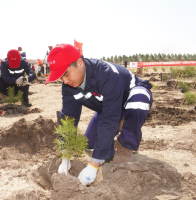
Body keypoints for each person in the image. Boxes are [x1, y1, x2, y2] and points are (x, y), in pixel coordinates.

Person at [45, 44, 153, 186]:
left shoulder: (107, 75)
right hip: (109, 108)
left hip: (129, 98)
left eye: (66, 74)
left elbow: (108, 119)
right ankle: (116, 128)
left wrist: (93, 166)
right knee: (90, 145)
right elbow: (68, 118)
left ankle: (126, 143)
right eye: (60, 77)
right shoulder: (68, 86)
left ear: (80, 63)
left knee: (138, 101)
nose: (64, 81)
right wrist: (66, 156)